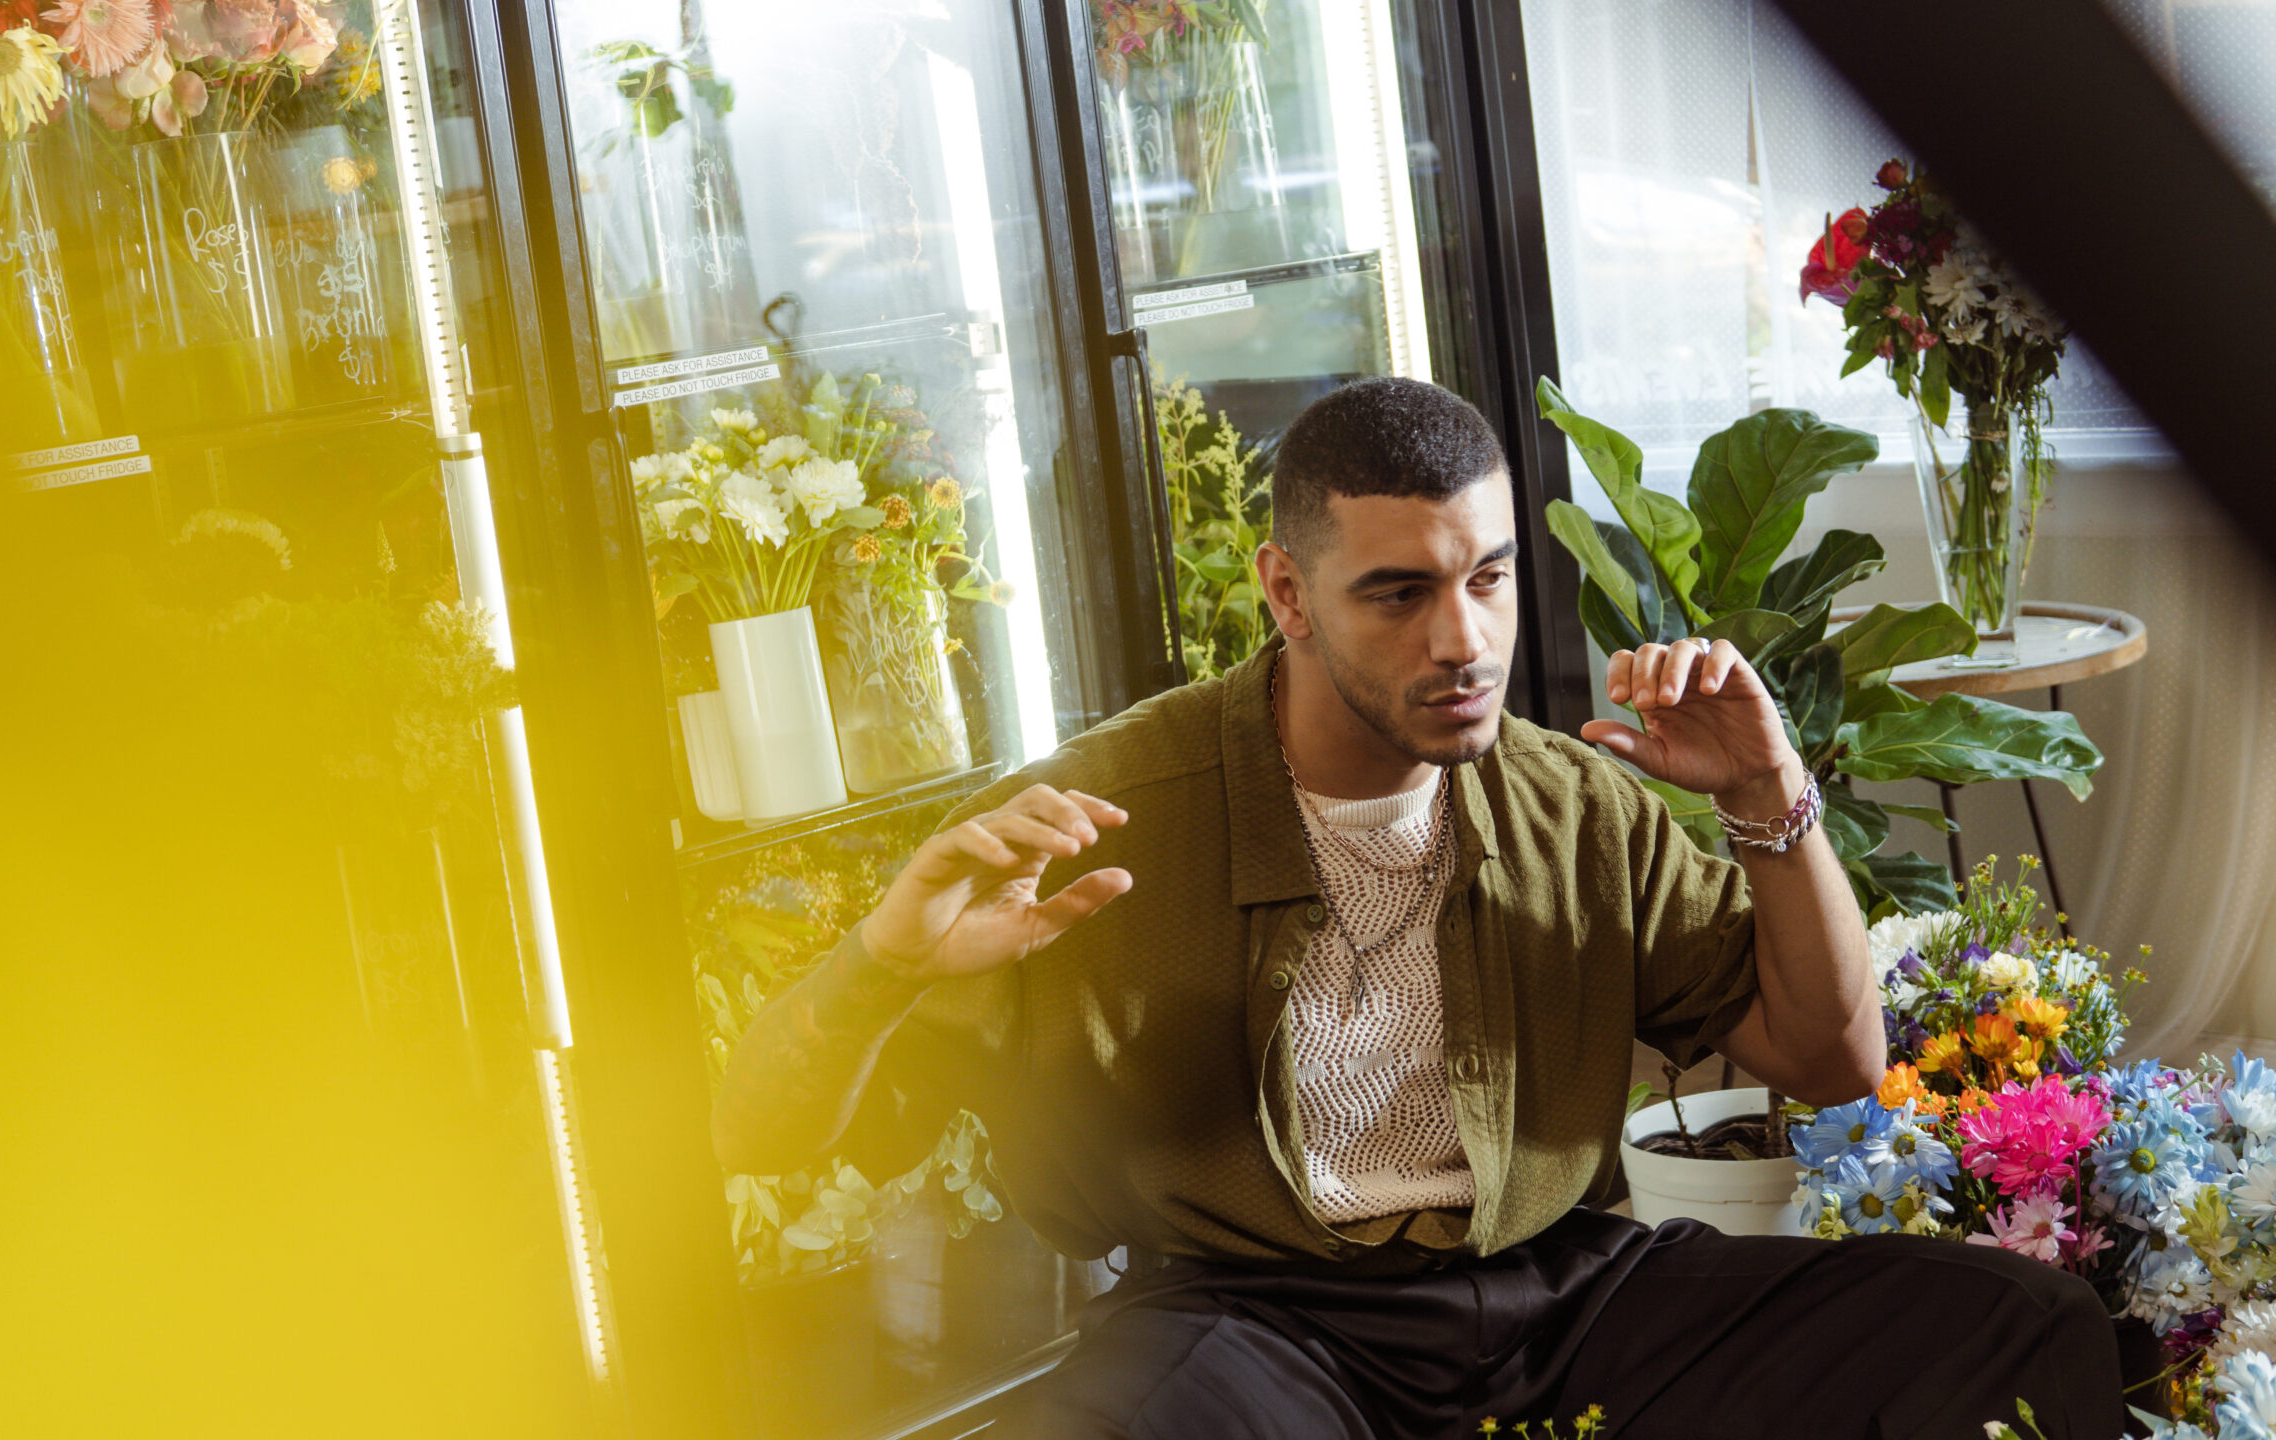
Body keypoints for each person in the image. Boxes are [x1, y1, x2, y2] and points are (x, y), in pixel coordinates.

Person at [710, 378, 2120, 1438]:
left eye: (1487, 579)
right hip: (1253, 1317)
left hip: (1567, 1295)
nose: (1462, 640)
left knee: (2018, 1323)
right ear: (1287, 593)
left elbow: (1831, 1059)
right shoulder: (1095, 821)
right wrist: (885, 962)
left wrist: (1770, 792)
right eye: (1397, 594)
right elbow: (758, 1138)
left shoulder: (1575, 803)